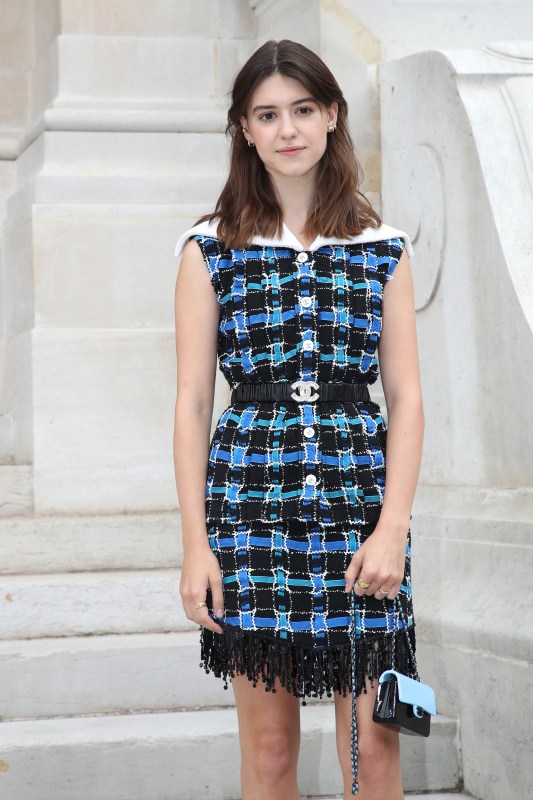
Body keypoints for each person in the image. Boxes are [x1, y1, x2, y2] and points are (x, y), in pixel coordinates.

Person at [173, 39, 424, 800]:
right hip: (249, 511)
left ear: (332, 116)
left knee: (376, 747)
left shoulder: (383, 249)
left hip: (361, 515)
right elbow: (189, 404)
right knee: (272, 752)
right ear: (244, 130)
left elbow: (407, 397)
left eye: (303, 110)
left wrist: (393, 529)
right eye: (267, 114)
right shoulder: (207, 249)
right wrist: (195, 547)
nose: (288, 129)